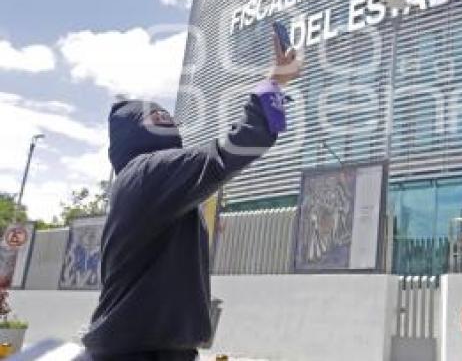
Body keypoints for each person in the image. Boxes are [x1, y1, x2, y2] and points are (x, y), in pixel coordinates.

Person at [82, 34, 301, 361]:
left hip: (148, 350)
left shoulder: (146, 182)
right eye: (157, 116)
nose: (170, 119)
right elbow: (238, 147)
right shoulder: (149, 172)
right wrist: (274, 83)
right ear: (134, 131)